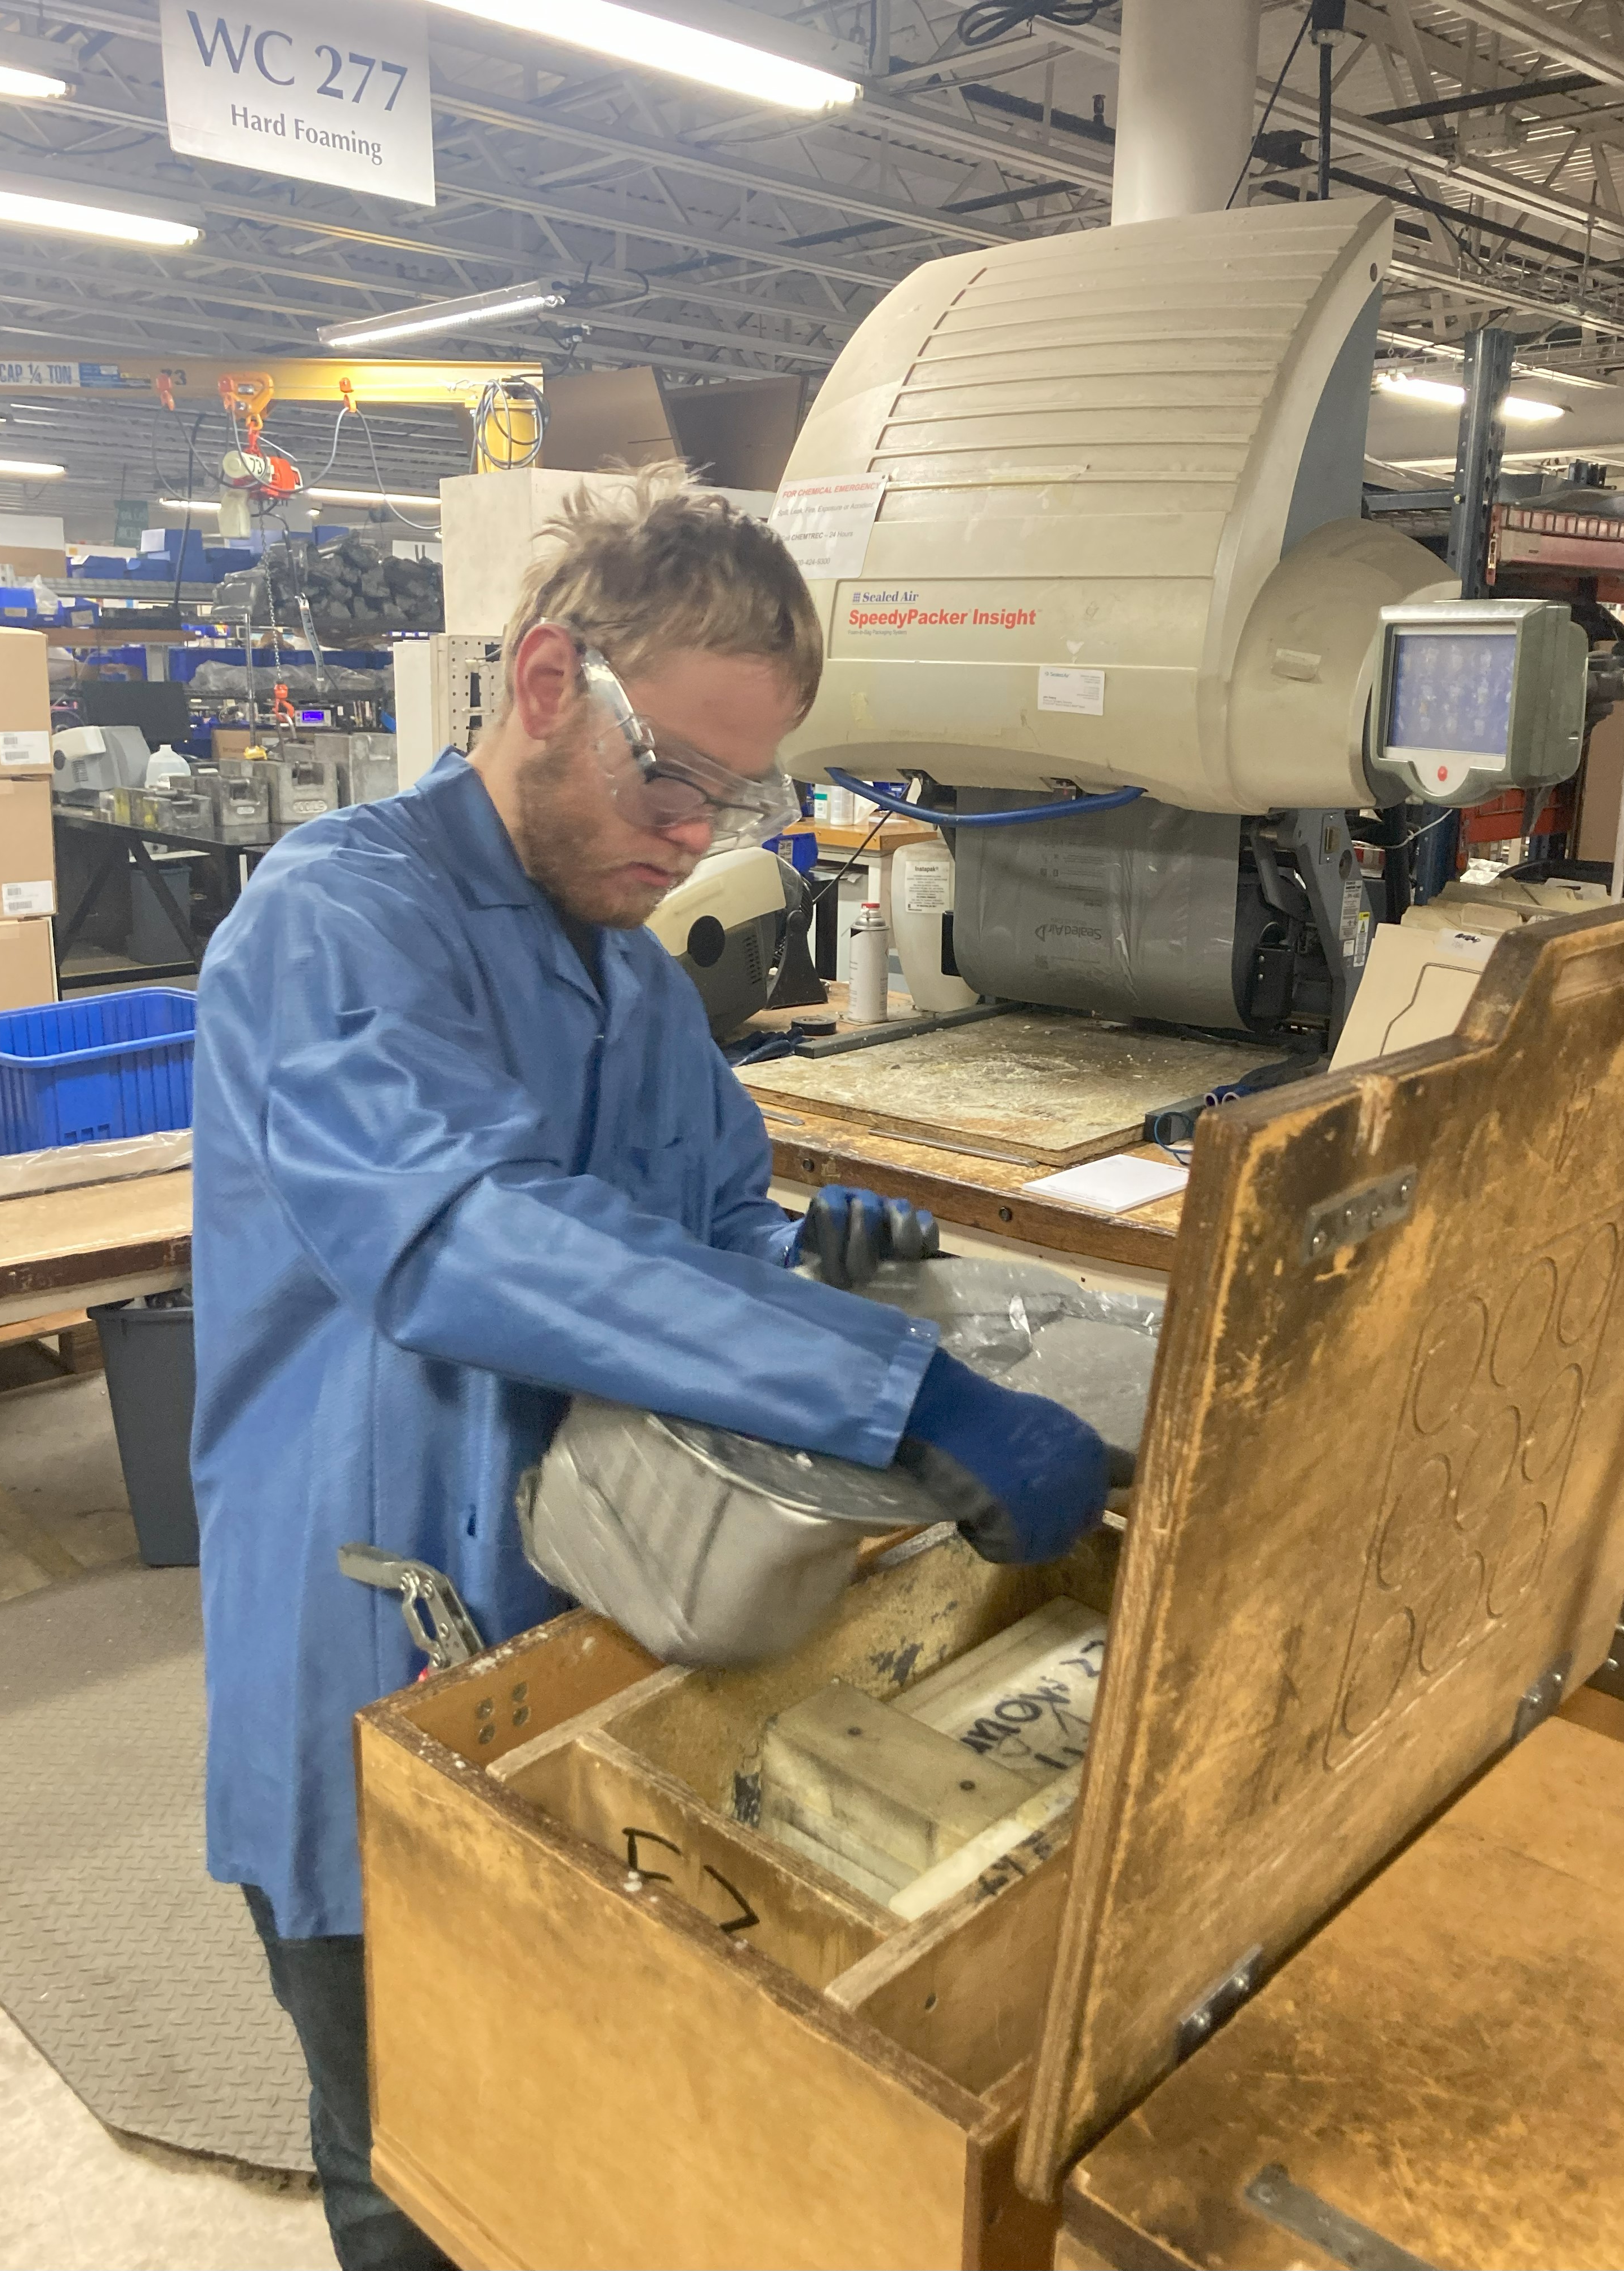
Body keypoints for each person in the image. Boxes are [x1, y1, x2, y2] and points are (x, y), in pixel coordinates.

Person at [190, 475, 1110, 2270]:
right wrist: (902, 1396)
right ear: (548, 685)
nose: (693, 836)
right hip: (370, 1632)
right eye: (669, 775)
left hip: (591, 1606)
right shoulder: (339, 921)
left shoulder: (624, 975)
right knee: (415, 2169)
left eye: (736, 799)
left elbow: (703, 1222)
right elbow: (467, 1237)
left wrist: (804, 1254)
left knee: (589, 2148)